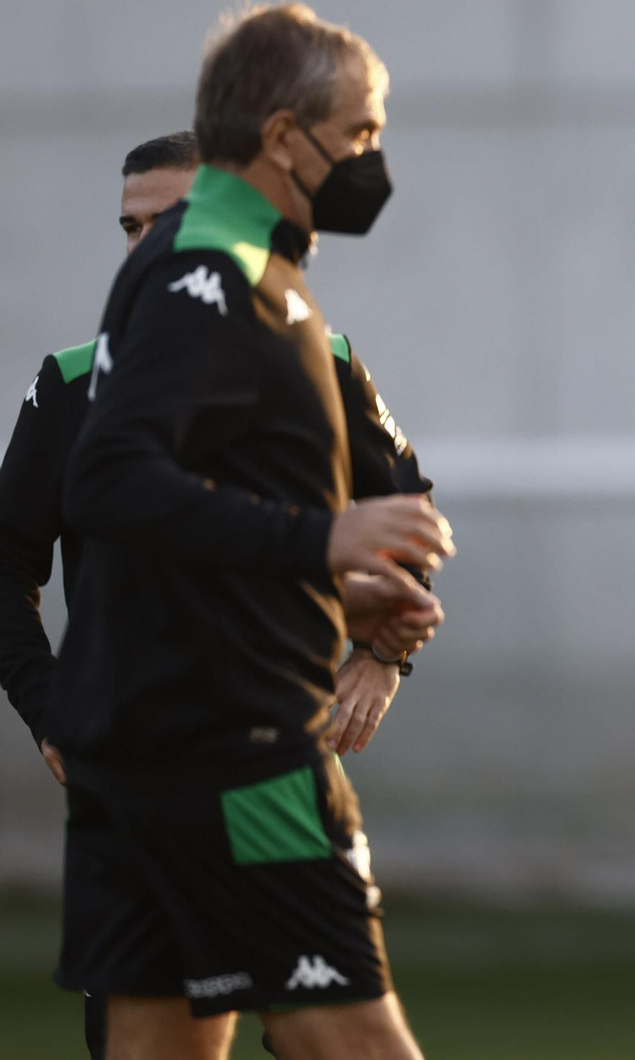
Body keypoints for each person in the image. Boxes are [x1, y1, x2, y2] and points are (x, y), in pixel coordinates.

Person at [46, 7, 451, 1059]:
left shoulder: (221, 265)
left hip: (147, 752)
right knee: (358, 1042)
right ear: (282, 137)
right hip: (239, 751)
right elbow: (110, 478)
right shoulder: (210, 270)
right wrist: (322, 544)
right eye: (360, 132)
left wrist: (338, 593)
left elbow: (172, 523)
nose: (372, 158)